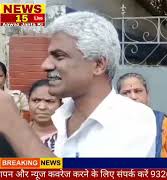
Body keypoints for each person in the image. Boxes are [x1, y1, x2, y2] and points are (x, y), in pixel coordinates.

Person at [0, 11, 156, 157]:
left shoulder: (133, 117)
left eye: (59, 56)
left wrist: (13, 124)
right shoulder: (61, 115)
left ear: (98, 65)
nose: (46, 65)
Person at [117, 73, 167, 158]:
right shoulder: (111, 123)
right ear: (118, 97)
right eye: (126, 93)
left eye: (138, 91)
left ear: (147, 95)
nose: (133, 96)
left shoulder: (161, 122)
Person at [28, 79, 61, 152]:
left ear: (60, 104)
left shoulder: (69, 137)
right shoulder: (17, 134)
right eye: (36, 100)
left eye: (49, 101)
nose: (42, 107)